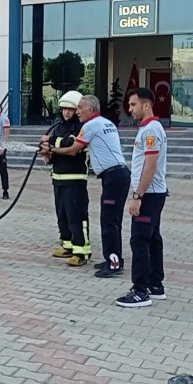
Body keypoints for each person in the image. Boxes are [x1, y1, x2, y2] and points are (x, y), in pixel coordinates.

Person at [44, 95, 129, 278]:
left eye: (80, 108)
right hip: (115, 175)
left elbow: (73, 149)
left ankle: (114, 264)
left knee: (109, 223)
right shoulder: (106, 123)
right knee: (110, 221)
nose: (78, 112)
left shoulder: (89, 126)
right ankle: (111, 260)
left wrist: (51, 148)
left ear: (90, 109)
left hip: (113, 176)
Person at [115, 88, 168, 308]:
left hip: (150, 194)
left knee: (140, 240)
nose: (130, 109)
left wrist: (138, 196)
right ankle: (155, 285)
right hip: (152, 193)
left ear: (146, 105)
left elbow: (151, 165)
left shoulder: (152, 129)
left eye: (134, 104)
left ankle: (140, 290)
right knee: (153, 238)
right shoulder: (147, 129)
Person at [40, 90, 91, 266]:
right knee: (62, 214)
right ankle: (68, 244)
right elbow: (54, 146)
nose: (66, 113)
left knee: (76, 215)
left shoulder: (81, 127)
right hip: (58, 177)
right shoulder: (59, 126)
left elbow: (70, 144)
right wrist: (47, 153)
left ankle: (81, 251)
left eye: (70, 110)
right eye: (63, 109)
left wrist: (51, 140)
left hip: (75, 178)